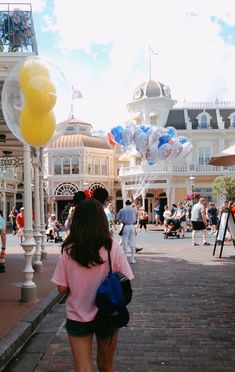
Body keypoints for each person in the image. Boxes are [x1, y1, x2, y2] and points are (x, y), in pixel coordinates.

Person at [51, 198, 134, 372]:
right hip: (108, 313)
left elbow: (62, 287)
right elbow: (126, 278)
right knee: (106, 366)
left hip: (78, 315)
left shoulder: (68, 249)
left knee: (82, 368)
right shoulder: (112, 247)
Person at [117, 199, 138, 264]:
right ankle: (132, 259)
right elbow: (137, 218)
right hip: (132, 226)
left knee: (124, 242)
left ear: (125, 204)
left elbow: (118, 218)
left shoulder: (122, 210)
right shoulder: (134, 210)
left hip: (125, 226)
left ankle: (125, 259)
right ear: (130, 203)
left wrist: (123, 220)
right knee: (132, 242)